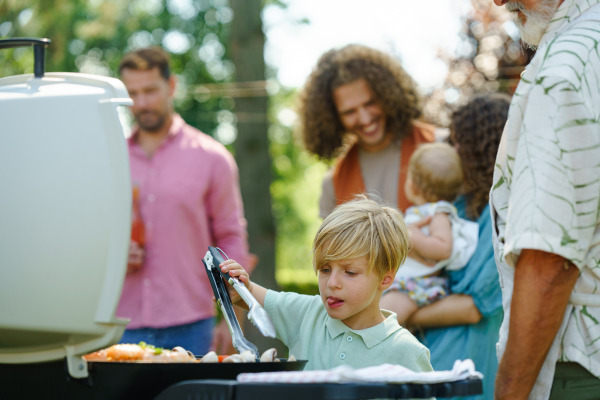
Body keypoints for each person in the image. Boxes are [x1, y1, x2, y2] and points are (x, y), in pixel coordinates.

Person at [489, 0, 600, 398]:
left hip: (582, 370)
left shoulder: (568, 65)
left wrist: (510, 392)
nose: (499, 1)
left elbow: (550, 258)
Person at [115, 47, 250, 355]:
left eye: (151, 90)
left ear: (171, 86)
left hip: (193, 327)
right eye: (133, 93)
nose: (142, 102)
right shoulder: (109, 160)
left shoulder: (212, 158)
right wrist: (112, 256)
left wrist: (234, 321)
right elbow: (85, 236)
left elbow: (231, 240)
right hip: (119, 325)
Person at [220, 196, 433, 372]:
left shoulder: (407, 353)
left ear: (386, 278)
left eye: (349, 272)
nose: (332, 283)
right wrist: (238, 287)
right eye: (325, 269)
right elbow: (248, 295)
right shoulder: (307, 314)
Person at [396, 94, 509, 400]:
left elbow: (475, 308)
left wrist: (395, 312)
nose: (451, 150)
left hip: (468, 360)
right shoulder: (456, 205)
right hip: (432, 356)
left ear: (481, 148)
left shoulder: (501, 214)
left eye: (458, 142)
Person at [298, 44, 437, 218]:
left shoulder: (439, 144)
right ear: (332, 117)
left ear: (387, 94)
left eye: (370, 103)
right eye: (349, 112)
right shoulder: (334, 183)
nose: (365, 119)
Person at [380, 143, 479, 325]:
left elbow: (443, 248)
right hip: (403, 283)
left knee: (379, 323)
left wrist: (410, 236)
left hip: (414, 286)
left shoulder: (438, 213)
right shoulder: (422, 211)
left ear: (414, 186)